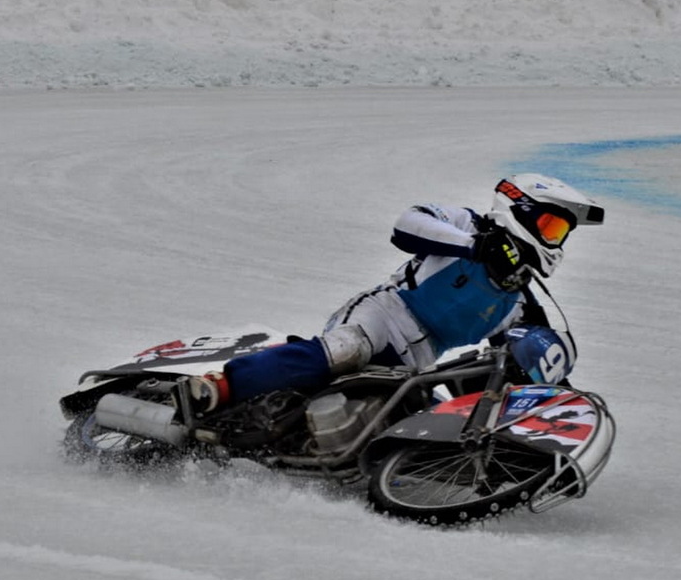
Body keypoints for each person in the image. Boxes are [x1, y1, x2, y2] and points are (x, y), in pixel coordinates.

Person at [184, 173, 605, 413]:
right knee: (345, 350)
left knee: (417, 416)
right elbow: (407, 225)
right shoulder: (469, 224)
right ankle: (218, 388)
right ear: (520, 212)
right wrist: (473, 248)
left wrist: (559, 400)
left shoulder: (519, 298)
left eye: (561, 233)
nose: (556, 241)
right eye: (552, 227)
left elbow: (531, 360)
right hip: (383, 317)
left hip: (419, 362)